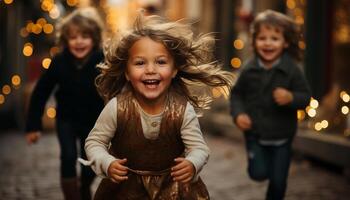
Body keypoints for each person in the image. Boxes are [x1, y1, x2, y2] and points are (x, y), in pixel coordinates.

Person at [82, 14, 234, 199]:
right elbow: (94, 142)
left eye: (161, 62)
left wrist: (192, 163)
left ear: (174, 70)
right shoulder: (117, 107)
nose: (151, 69)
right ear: (127, 73)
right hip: (125, 189)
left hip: (173, 189)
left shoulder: (182, 109)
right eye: (140, 63)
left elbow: (199, 148)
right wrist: (107, 163)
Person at [230, 10, 311, 200]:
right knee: (258, 173)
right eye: (262, 38)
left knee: (278, 182)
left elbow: (306, 97)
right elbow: (237, 94)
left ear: (285, 42)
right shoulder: (249, 69)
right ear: (254, 41)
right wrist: (238, 114)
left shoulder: (292, 70)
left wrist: (291, 97)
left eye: (274, 38)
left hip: (282, 136)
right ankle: (259, 165)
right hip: (255, 134)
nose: (267, 43)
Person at [25, 7, 105, 200]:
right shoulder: (60, 62)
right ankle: (72, 196)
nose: (79, 41)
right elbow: (41, 92)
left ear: (94, 39)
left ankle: (85, 186)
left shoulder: (102, 62)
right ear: (65, 40)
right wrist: (33, 126)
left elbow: (117, 90)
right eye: (73, 37)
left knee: (90, 161)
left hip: (93, 120)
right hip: (66, 119)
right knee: (68, 156)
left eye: (85, 36)